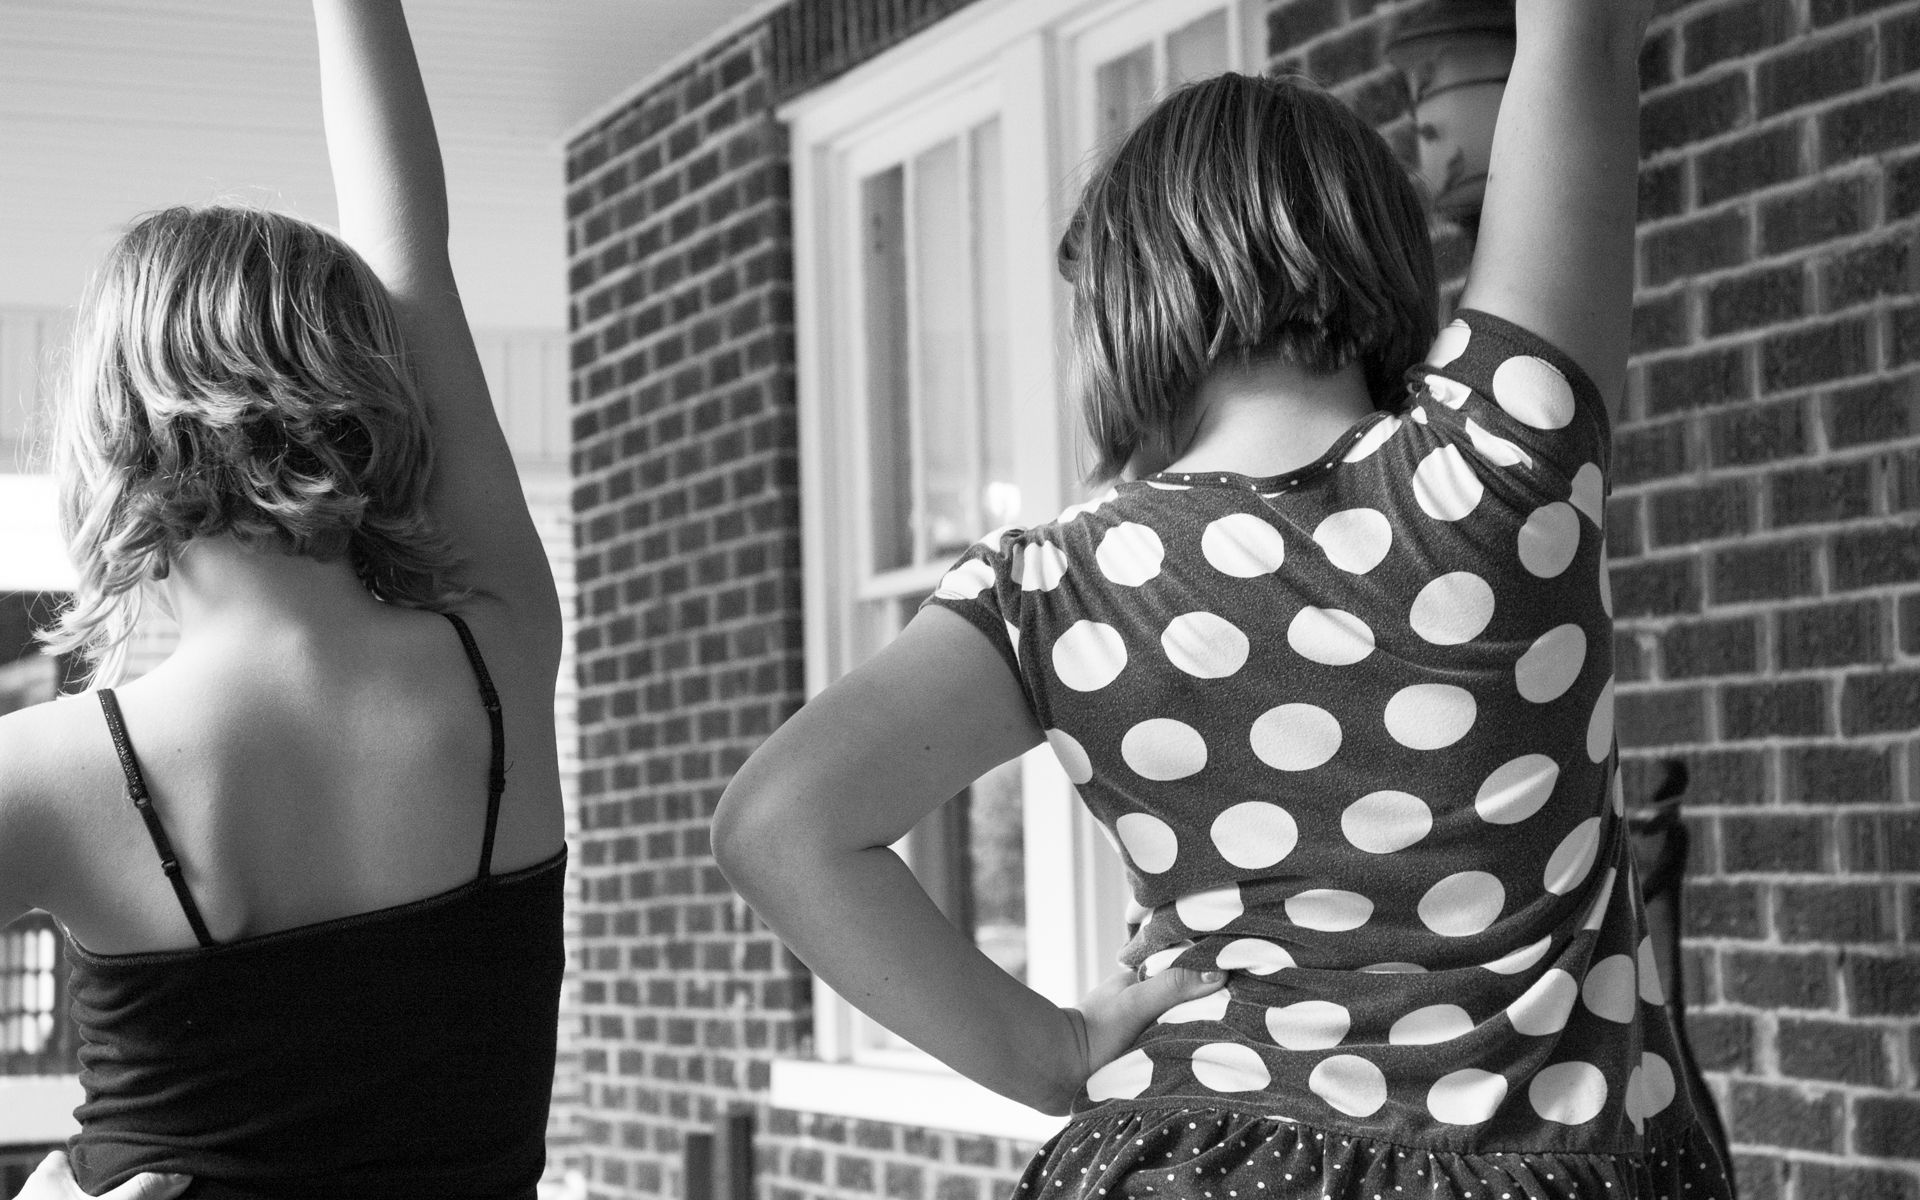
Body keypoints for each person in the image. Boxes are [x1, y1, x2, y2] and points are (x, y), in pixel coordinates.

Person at [714, 2, 1737, 1197]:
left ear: (1122, 303)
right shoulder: (1500, 460)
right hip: (1551, 1164)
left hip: (1188, 1158)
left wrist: (1050, 1053)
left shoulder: (1056, 587)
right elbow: (1585, 36)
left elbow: (778, 827)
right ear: (1384, 254)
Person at [0, 1, 566, 1195]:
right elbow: (416, 260)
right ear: (375, 396)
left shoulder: (49, 778)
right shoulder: (498, 656)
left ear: (113, 436)